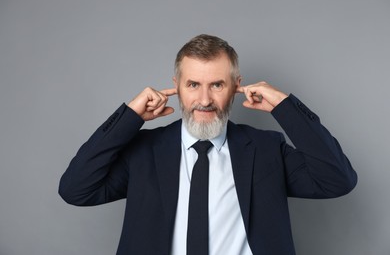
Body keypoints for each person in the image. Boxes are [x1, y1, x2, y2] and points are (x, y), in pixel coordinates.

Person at [59, 34, 357, 255]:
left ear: (235, 86)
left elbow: (338, 181)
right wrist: (129, 117)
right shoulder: (144, 150)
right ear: (176, 86)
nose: (204, 100)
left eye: (217, 85)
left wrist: (286, 108)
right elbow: (75, 189)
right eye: (193, 85)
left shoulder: (267, 149)